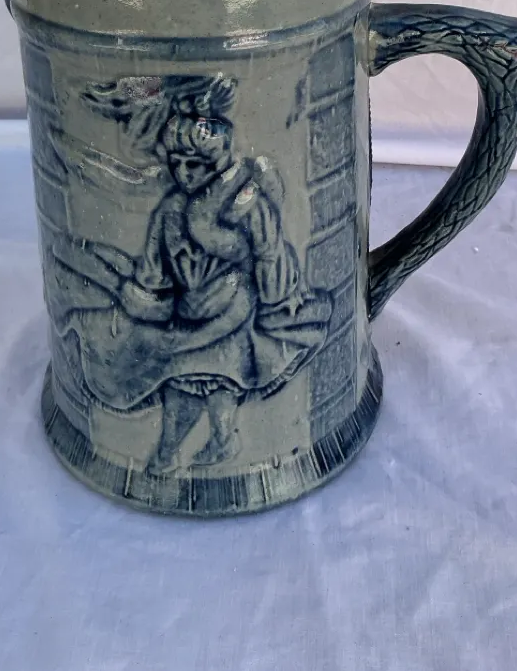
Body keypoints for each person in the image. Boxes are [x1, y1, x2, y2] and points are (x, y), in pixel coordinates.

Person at [64, 77, 331, 472]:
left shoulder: (246, 201)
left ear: (216, 163)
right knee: (192, 376)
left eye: (196, 165)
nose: (185, 173)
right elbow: (154, 268)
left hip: (233, 304)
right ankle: (198, 446)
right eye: (178, 164)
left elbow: (270, 252)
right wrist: (143, 298)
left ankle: (197, 446)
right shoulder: (170, 210)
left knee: (215, 372)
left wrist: (278, 300)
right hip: (189, 307)